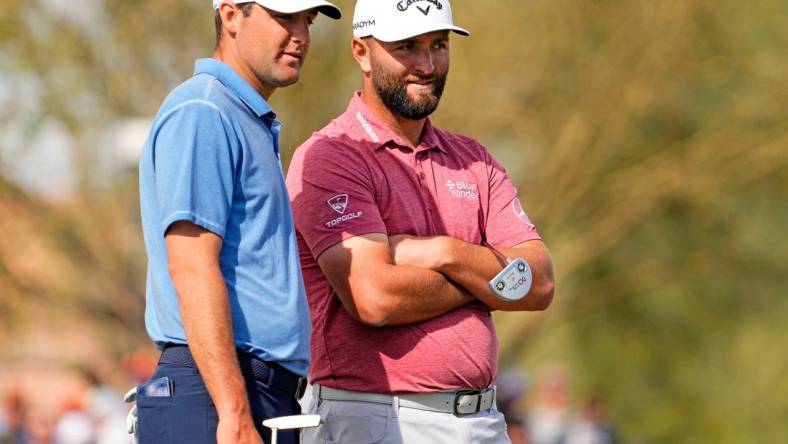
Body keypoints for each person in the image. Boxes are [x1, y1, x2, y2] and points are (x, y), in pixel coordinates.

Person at [285, 0, 556, 442]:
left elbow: (541, 282)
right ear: (361, 51)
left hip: (482, 419)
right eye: (407, 46)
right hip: (376, 418)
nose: (426, 64)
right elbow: (375, 297)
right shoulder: (331, 156)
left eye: (439, 45)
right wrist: (487, 283)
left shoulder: (475, 160)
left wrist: (443, 252)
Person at [137, 1, 341, 443]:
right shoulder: (204, 110)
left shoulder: (240, 115)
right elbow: (191, 265)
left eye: (308, 20)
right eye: (285, 17)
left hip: (243, 391)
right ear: (230, 15)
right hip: (215, 395)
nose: (302, 34)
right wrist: (233, 411)